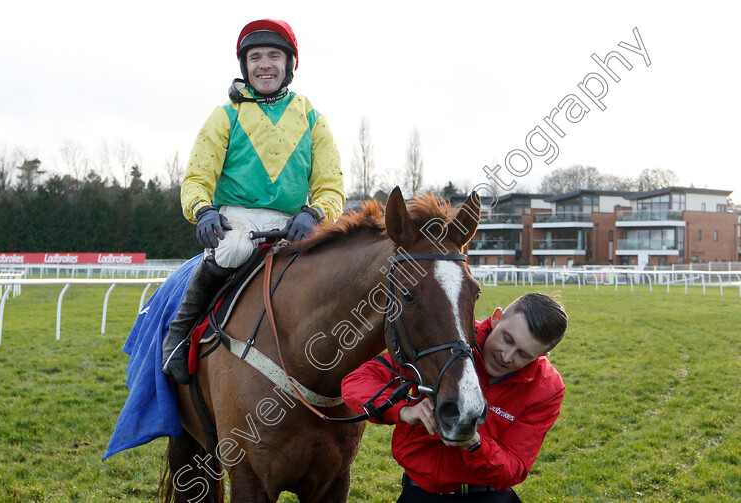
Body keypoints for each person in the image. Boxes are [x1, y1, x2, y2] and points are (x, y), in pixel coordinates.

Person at [161, 19, 345, 384]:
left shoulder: (312, 119)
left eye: (274, 56)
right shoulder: (226, 115)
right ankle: (179, 336)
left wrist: (315, 212)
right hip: (236, 221)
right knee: (232, 251)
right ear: (245, 66)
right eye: (256, 57)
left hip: (294, 224)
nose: (264, 65)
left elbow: (332, 187)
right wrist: (204, 210)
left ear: (289, 65)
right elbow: (197, 178)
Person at [342, 293, 568, 502]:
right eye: (507, 339)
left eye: (524, 354)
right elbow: (356, 381)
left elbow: (514, 468)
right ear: (497, 317)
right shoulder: (446, 342)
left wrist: (474, 445)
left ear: (542, 355)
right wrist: (402, 409)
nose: (506, 357)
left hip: (489, 496)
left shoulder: (547, 387)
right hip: (419, 493)